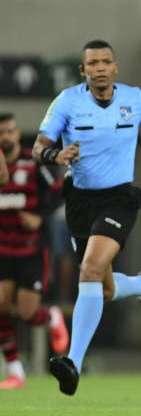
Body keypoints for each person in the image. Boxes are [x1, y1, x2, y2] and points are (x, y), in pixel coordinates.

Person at [33, 39, 141, 396]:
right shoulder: (67, 102)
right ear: (83, 71)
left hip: (119, 199)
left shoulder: (138, 100)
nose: (100, 68)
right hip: (80, 201)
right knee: (104, 287)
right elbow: (38, 147)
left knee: (89, 271)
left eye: (106, 62)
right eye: (92, 63)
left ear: (116, 67)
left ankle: (73, 363)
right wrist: (56, 155)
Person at [0, 113, 69, 389]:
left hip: (30, 250)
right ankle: (16, 371)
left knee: (28, 313)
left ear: (17, 134)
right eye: (1, 132)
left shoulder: (32, 164)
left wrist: (40, 217)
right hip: (3, 250)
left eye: (10, 131)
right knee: (0, 306)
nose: (6, 136)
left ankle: (51, 317)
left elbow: (57, 192)